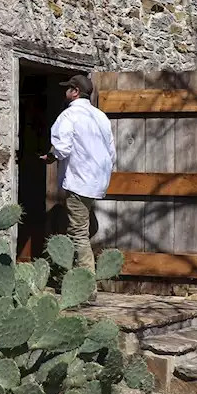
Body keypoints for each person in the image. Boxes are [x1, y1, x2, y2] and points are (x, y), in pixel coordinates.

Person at [42, 75, 116, 281]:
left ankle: (86, 284)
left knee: (78, 234)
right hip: (97, 182)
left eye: (68, 89)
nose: (65, 92)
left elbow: (63, 148)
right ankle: (78, 277)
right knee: (82, 229)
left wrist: (50, 157)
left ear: (75, 91)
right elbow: (111, 152)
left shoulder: (69, 116)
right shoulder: (100, 116)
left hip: (78, 181)